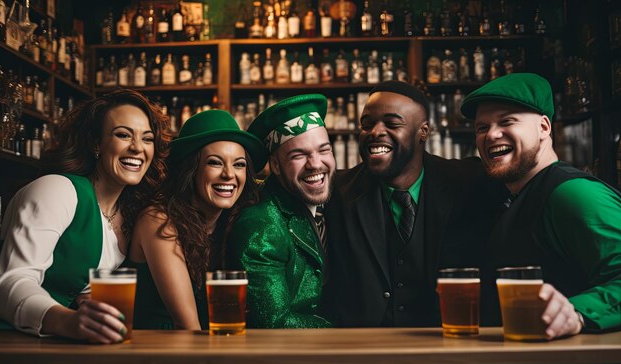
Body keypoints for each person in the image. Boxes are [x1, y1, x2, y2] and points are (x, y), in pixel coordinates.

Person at [322, 80, 506, 327]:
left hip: (450, 348)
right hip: (363, 351)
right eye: (367, 124)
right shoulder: (336, 193)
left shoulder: (472, 182)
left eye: (392, 123)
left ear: (424, 131)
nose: (375, 131)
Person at [0, 89, 170, 343]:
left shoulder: (132, 213)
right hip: (14, 349)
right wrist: (68, 320)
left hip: (73, 353)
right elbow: (9, 283)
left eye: (147, 139)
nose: (137, 148)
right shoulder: (57, 189)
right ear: (96, 143)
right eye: (123, 135)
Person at [460, 72, 621, 339]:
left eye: (507, 121)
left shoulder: (572, 192)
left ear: (544, 128)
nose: (491, 135)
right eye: (482, 128)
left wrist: (577, 312)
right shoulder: (518, 195)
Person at [129, 109, 267, 330]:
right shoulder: (158, 220)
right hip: (153, 355)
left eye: (239, 164)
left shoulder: (232, 222)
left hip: (203, 349)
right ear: (190, 170)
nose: (229, 174)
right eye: (215, 162)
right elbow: (187, 325)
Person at [227, 94, 335, 328]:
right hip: (284, 360)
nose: (316, 164)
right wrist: (349, 335)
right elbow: (274, 322)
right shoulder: (260, 225)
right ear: (275, 165)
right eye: (299, 155)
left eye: (324, 150)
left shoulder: (334, 199)